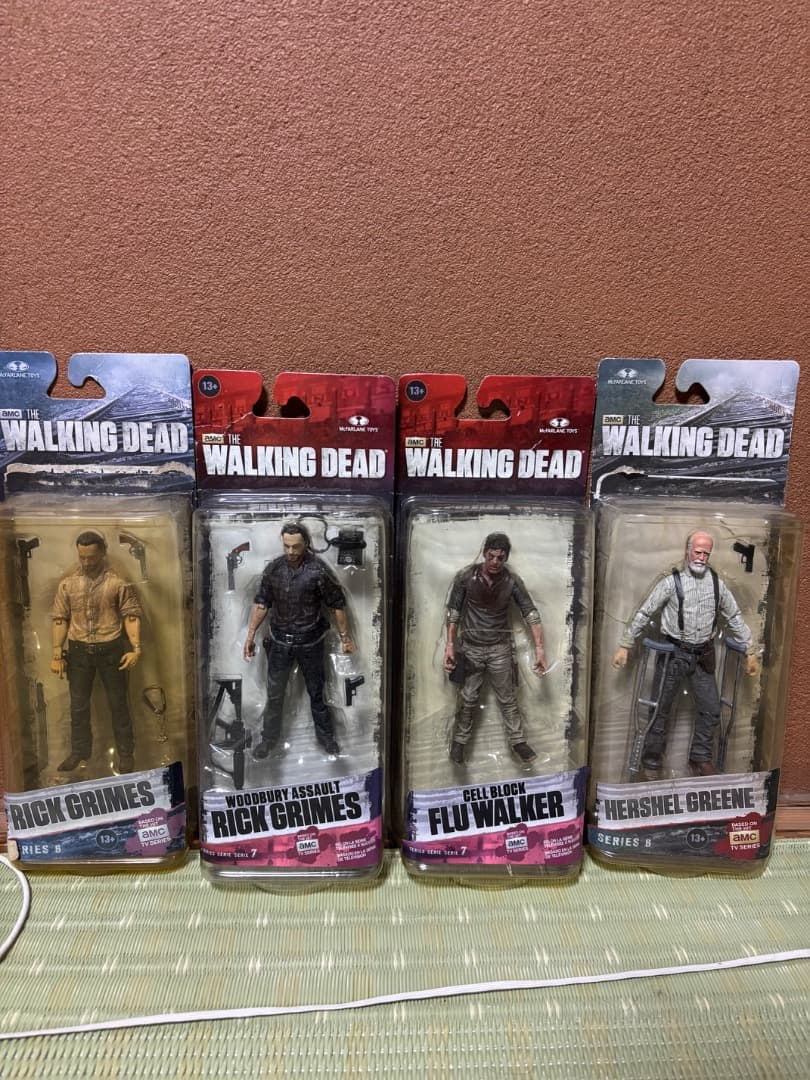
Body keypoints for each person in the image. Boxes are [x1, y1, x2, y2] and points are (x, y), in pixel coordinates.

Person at [612, 529, 760, 778]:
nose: (701, 557)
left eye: (706, 553)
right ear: (688, 551)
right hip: (674, 653)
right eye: (697, 552)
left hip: (703, 655)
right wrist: (625, 645)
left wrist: (750, 650)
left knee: (711, 708)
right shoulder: (672, 582)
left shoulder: (717, 584)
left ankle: (700, 757)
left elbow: (734, 617)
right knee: (660, 709)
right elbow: (645, 612)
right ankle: (651, 762)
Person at [243, 523, 354, 757]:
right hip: (280, 642)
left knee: (317, 694)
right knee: (274, 695)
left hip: (311, 642)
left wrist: (345, 637)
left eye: (296, 546)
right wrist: (250, 635)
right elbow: (262, 603)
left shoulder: (318, 570)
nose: (291, 551)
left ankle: (327, 738)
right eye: (287, 546)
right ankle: (268, 740)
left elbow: (336, 604)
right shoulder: (274, 569)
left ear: (305, 544)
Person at [443, 532, 546, 765]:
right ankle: (459, 742)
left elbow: (531, 614)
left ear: (506, 557)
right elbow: (453, 614)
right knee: (468, 699)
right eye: (491, 556)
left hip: (499, 648)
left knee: (508, 699)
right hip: (471, 648)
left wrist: (539, 649)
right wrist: (449, 646)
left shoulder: (511, 581)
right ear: (484, 553)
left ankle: (518, 741)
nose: (495, 562)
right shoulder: (466, 577)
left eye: (500, 557)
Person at [51, 531, 142, 774]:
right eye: (82, 557)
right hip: (79, 651)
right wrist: (57, 653)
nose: (87, 562)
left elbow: (131, 615)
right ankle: (80, 751)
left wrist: (136, 648)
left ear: (102, 552)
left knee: (119, 704)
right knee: (78, 706)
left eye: (91, 557)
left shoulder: (117, 584)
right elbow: (60, 619)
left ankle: (125, 753)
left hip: (111, 650)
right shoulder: (68, 585)